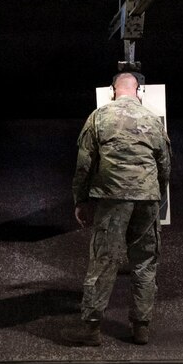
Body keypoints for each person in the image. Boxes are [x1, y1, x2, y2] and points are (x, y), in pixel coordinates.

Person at [65, 71, 171, 346]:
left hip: (112, 198)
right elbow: (165, 164)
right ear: (138, 91)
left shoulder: (99, 117)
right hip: (147, 198)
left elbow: (84, 164)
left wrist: (81, 200)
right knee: (145, 263)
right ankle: (141, 327)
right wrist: (156, 192)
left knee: (103, 261)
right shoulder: (152, 119)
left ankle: (90, 330)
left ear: (113, 90)